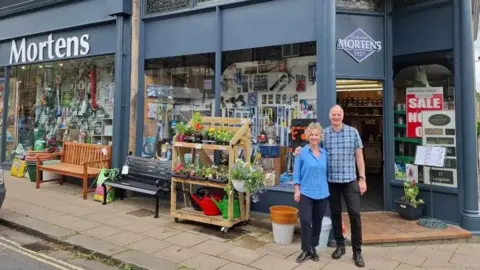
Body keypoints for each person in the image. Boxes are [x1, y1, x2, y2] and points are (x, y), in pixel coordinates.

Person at [294, 105, 367, 268]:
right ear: (329, 116)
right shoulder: (324, 134)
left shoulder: (352, 132)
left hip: (349, 181)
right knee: (335, 214)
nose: (336, 117)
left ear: (342, 115)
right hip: (331, 183)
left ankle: (357, 252)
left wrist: (362, 178)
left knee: (355, 215)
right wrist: (299, 150)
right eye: (333, 114)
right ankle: (340, 246)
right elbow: (312, 147)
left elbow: (359, 156)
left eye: (338, 114)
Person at [293, 122, 329, 263]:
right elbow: (296, 174)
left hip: (322, 192)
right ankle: (305, 249)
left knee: (317, 222)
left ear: (320, 137)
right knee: (306, 221)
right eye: (312, 135)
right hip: (306, 192)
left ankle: (313, 248)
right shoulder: (301, 153)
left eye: (316, 135)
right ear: (308, 136)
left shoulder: (325, 153)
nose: (314, 137)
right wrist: (297, 190)